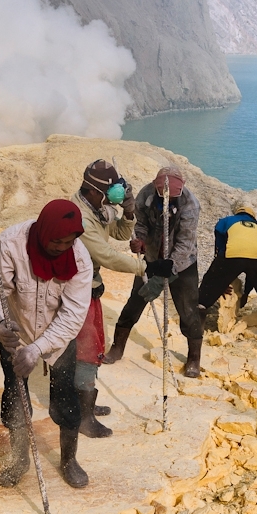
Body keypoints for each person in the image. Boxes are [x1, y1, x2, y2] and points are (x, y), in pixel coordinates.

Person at [0, 199, 94, 489]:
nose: (61, 247)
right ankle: (19, 459)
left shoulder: (80, 259)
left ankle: (69, 460)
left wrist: (37, 349)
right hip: (14, 332)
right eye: (56, 240)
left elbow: (72, 315)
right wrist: (1, 323)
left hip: (57, 337)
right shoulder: (10, 244)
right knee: (15, 397)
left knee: (66, 398)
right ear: (42, 232)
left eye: (69, 241)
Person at [71, 160, 170, 438]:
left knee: (92, 347)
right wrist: (146, 267)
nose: (117, 192)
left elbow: (121, 233)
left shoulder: (98, 206)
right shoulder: (81, 215)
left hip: (91, 285)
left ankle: (84, 400)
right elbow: (105, 255)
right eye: (112, 189)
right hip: (77, 289)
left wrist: (127, 213)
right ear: (94, 189)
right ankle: (82, 416)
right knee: (86, 352)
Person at [103, 166, 204, 378]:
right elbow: (140, 224)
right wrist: (138, 240)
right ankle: (117, 347)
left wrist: (166, 270)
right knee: (135, 301)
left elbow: (185, 244)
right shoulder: (146, 195)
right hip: (151, 257)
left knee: (188, 310)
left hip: (183, 264)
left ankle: (194, 358)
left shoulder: (190, 205)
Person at [197, 201, 257, 333]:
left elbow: (220, 247)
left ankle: (198, 325)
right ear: (252, 217)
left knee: (208, 284)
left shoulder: (226, 221)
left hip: (231, 256)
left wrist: (220, 282)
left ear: (237, 213)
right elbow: (252, 264)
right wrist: (246, 293)